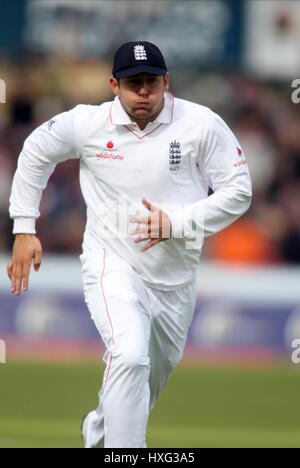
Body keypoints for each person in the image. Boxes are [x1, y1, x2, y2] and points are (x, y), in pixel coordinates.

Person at [7, 41, 252, 448]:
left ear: (166, 81)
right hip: (111, 262)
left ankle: (98, 432)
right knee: (130, 356)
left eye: (151, 82)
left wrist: (176, 222)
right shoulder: (88, 123)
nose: (143, 91)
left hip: (175, 280)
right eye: (132, 82)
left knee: (141, 386)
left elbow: (239, 189)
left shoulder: (201, 124)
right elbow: (36, 151)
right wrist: (24, 226)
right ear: (113, 85)